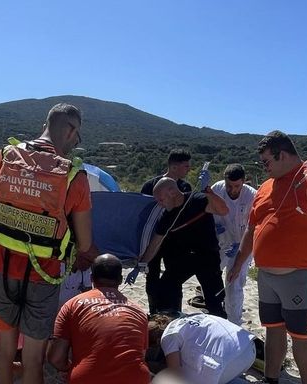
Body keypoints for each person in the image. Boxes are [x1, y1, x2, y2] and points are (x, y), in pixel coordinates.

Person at [227, 131, 307, 384]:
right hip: (266, 276)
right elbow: (253, 229)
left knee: (301, 335)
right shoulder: (265, 187)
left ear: (282, 154)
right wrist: (238, 263)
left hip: (300, 275)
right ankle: (270, 379)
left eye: (266, 162)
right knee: (273, 331)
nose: (264, 168)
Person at [0, 103, 92, 384]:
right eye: (77, 136)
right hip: (43, 277)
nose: (75, 143)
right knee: (33, 358)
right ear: (71, 130)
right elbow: (85, 243)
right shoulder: (74, 176)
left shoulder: (5, 156)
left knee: (5, 350)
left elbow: (0, 207)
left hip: (2, 267)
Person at [130, 176, 229, 318]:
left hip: (208, 257)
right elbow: (155, 243)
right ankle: (171, 320)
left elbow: (223, 210)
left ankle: (219, 327)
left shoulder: (197, 200)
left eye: (161, 199)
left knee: (214, 301)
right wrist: (141, 263)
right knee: (165, 287)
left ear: (172, 192)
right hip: (184, 259)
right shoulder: (166, 216)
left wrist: (209, 191)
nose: (159, 204)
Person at [47, 254, 150, 384]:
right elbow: (140, 355)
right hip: (135, 378)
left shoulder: (73, 304)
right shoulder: (139, 311)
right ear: (120, 279)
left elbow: (56, 358)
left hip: (88, 377)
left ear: (91, 278)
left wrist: (69, 368)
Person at [141, 149, 192, 314]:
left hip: (175, 240)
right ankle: (154, 310)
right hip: (153, 238)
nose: (189, 169)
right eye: (186, 166)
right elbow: (142, 215)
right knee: (152, 275)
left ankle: (174, 310)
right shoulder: (150, 186)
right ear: (174, 167)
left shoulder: (185, 187)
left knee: (174, 276)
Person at [148, 313, 256, 384]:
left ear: (156, 340)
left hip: (228, 356)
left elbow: (175, 373)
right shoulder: (186, 318)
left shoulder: (167, 336)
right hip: (249, 348)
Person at [211, 163, 257, 325]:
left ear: (244, 182)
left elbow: (254, 227)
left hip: (242, 245)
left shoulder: (252, 196)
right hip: (221, 243)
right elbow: (210, 210)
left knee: (234, 283)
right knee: (211, 274)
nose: (232, 190)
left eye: (237, 186)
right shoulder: (217, 188)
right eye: (229, 186)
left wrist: (241, 249)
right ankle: (216, 309)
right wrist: (217, 228)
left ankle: (234, 322)